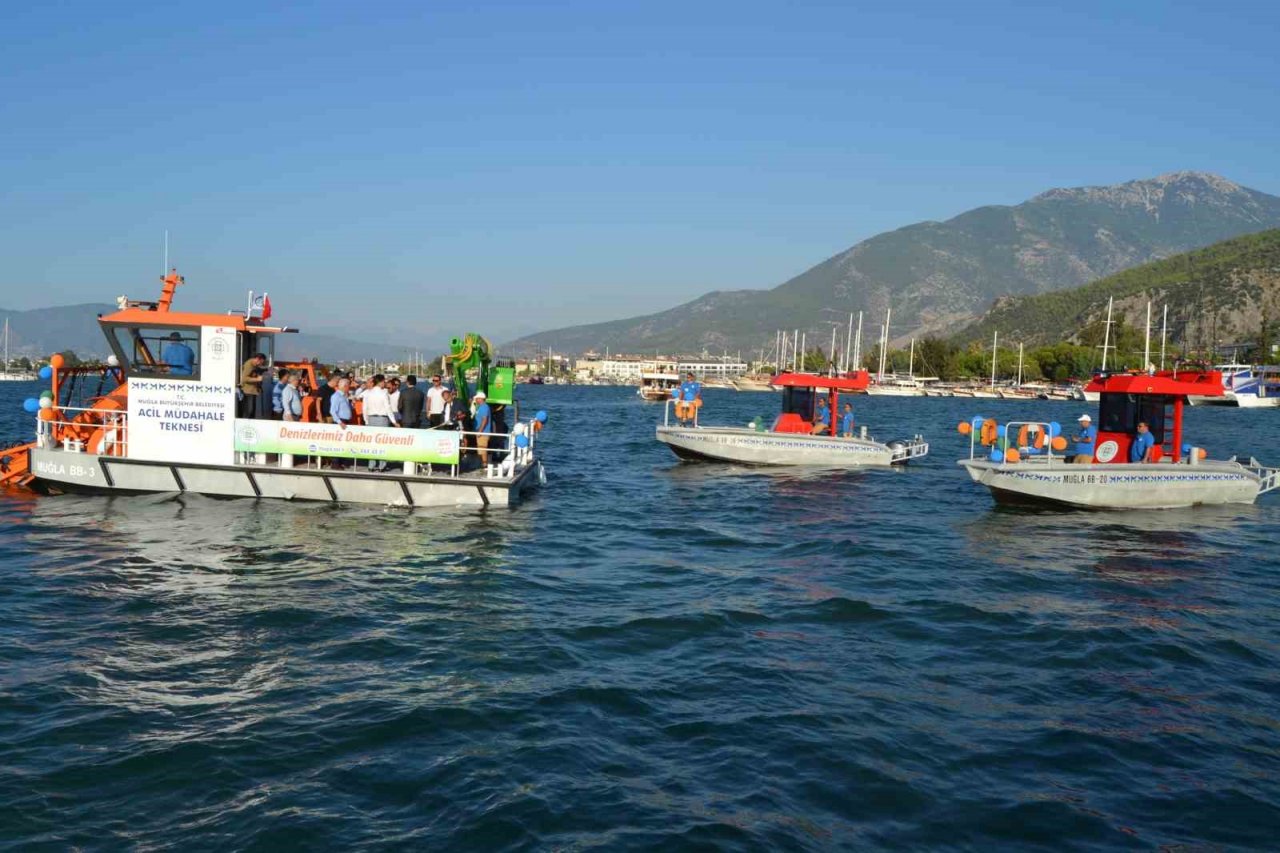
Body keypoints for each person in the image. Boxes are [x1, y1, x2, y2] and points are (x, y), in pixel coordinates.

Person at [239, 353, 266, 418]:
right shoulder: (249, 365)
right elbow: (244, 378)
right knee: (248, 411)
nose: (261, 364)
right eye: (261, 362)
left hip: (252, 391)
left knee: (252, 411)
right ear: (257, 359)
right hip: (248, 392)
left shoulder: (254, 365)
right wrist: (257, 379)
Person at [472, 391, 492, 463]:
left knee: (482, 448)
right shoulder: (481, 407)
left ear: (481, 399)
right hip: (481, 431)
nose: (476, 400)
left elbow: (485, 420)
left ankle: (484, 464)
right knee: (481, 448)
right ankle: (483, 463)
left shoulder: (484, 407)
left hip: (483, 432)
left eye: (477, 398)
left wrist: (480, 431)